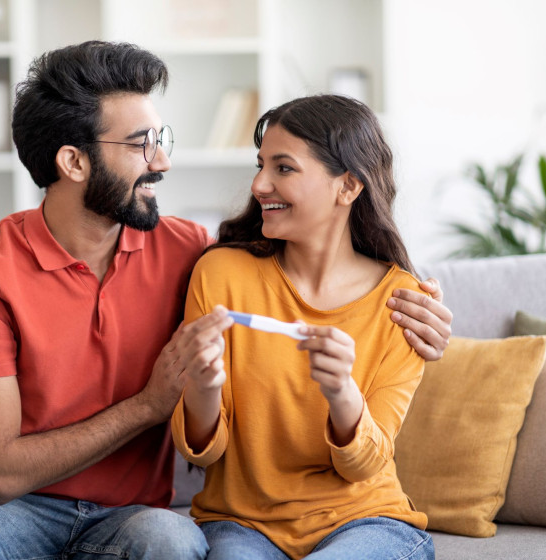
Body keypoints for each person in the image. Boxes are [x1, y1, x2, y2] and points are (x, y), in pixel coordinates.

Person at [0, 41, 450, 560]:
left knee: (175, 544)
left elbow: (306, 264)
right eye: (141, 143)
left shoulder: (188, 251)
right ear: (73, 162)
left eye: (161, 136)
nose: (162, 159)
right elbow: (0, 474)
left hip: (132, 516)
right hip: (13, 510)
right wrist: (148, 404)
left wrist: (429, 314)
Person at [172, 94, 439, 560]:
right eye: (260, 166)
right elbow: (201, 453)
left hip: (368, 522)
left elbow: (366, 465)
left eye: (284, 168)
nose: (258, 184)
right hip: (241, 525)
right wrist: (203, 387)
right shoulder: (221, 275)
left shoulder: (403, 303)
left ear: (348, 186)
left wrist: (342, 393)